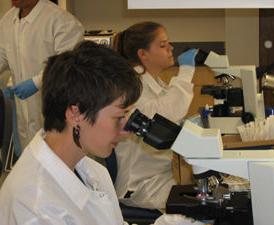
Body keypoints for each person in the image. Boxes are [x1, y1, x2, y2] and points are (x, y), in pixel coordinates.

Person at [0, 41, 143, 224]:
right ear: (75, 114)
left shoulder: (89, 169)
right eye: (119, 117)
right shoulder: (34, 209)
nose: (126, 131)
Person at [113, 21, 198, 210]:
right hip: (142, 185)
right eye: (162, 45)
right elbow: (167, 113)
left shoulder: (153, 81)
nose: (171, 48)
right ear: (142, 54)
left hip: (160, 176)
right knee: (202, 207)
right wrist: (186, 72)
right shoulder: (133, 86)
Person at [0, 0, 84, 154]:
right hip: (24, 115)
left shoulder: (61, 21)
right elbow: (2, 56)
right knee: (31, 162)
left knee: (58, 163)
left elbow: (67, 64)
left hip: (56, 112)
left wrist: (35, 82)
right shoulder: (7, 20)